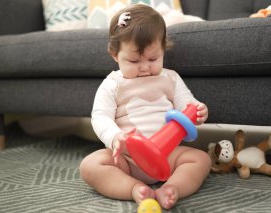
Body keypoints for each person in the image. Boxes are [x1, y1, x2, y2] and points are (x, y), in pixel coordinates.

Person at [79, 4, 211, 209]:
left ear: (163, 49)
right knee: (89, 166)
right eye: (133, 60)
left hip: (168, 156)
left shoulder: (170, 78)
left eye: (153, 58)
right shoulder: (112, 84)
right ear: (115, 54)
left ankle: (172, 188)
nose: (144, 67)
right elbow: (100, 116)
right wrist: (114, 137)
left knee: (200, 160)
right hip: (127, 158)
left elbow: (188, 105)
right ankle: (133, 188)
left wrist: (198, 110)